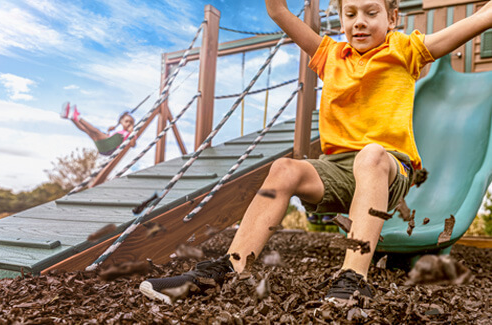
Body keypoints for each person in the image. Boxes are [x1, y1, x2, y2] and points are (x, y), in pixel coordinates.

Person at [139, 0, 492, 304]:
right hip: (337, 172)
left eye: (371, 12)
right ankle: (228, 267)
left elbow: (471, 24)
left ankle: (354, 278)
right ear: (341, 21)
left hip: (389, 168)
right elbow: (278, 11)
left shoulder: (405, 50)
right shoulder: (330, 54)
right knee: (284, 167)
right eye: (350, 14)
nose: (360, 22)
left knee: (370, 155)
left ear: (392, 18)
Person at [61, 102, 136, 155]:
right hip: (104, 146)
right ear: (121, 122)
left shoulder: (131, 133)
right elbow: (109, 138)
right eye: (126, 121)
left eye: (131, 122)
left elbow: (132, 145)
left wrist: (132, 132)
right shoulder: (121, 132)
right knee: (88, 131)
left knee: (96, 131)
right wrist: (108, 132)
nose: (129, 123)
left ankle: (77, 117)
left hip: (110, 148)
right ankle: (70, 117)